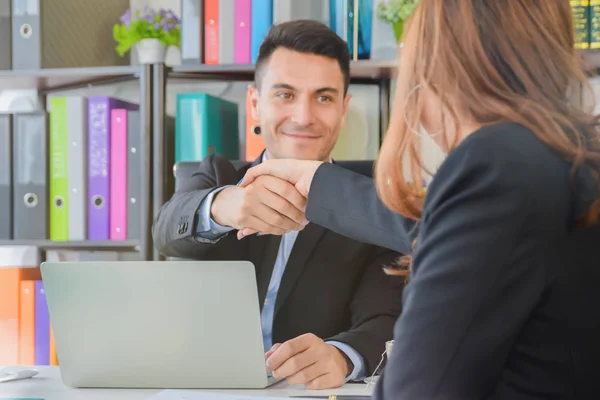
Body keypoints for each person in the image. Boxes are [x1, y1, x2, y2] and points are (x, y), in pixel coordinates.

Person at [237, 1, 600, 399]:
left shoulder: (494, 165)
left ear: (438, 63)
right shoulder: (571, 159)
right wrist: (319, 185)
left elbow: (418, 388)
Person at [152, 20, 409, 390]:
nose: (303, 117)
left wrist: (341, 355)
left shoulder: (374, 202)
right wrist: (225, 205)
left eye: (323, 97)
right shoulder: (218, 174)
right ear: (255, 103)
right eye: (285, 95)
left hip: (306, 394)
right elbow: (165, 230)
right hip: (207, 389)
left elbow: (384, 318)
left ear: (343, 108)